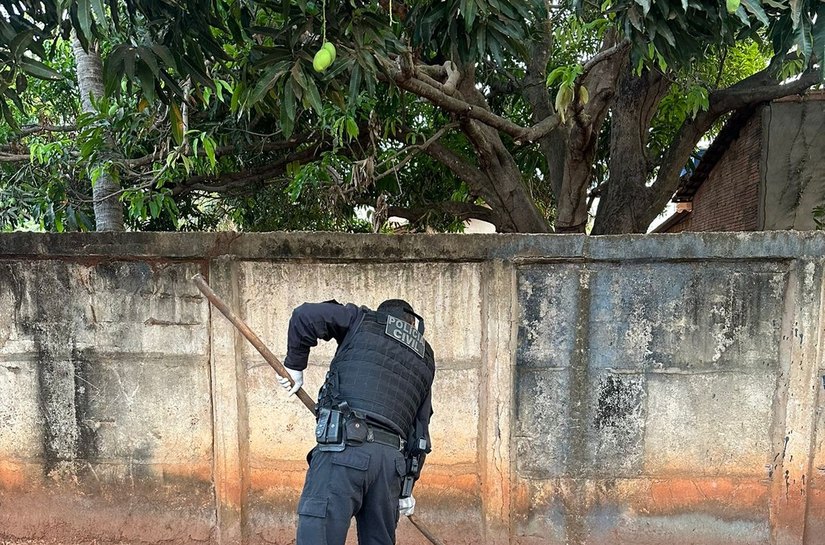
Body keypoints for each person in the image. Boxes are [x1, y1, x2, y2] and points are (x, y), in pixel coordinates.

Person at [277, 298, 435, 545]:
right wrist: (406, 489)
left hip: (345, 450)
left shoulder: (362, 320)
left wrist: (295, 366)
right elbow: (420, 435)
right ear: (412, 326)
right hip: (390, 466)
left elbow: (305, 315)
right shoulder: (425, 359)